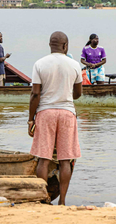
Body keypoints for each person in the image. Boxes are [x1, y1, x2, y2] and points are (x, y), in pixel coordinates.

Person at [28, 31, 82, 206]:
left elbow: (35, 94)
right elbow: (78, 94)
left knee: (43, 159)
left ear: (50, 45)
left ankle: (43, 199)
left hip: (45, 113)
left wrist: (31, 119)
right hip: (67, 114)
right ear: (65, 46)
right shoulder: (74, 65)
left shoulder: (40, 64)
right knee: (65, 160)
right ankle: (63, 201)